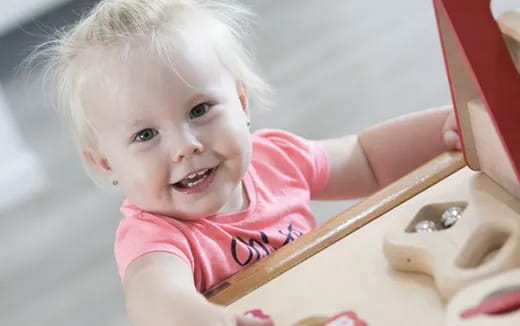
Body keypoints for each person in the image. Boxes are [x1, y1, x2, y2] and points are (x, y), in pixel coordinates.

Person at [28, 0, 460, 324]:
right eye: (145, 135)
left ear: (239, 101)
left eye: (199, 110)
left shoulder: (275, 161)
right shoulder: (156, 237)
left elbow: (367, 158)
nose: (185, 147)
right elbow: (152, 297)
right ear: (106, 164)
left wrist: (452, 123)